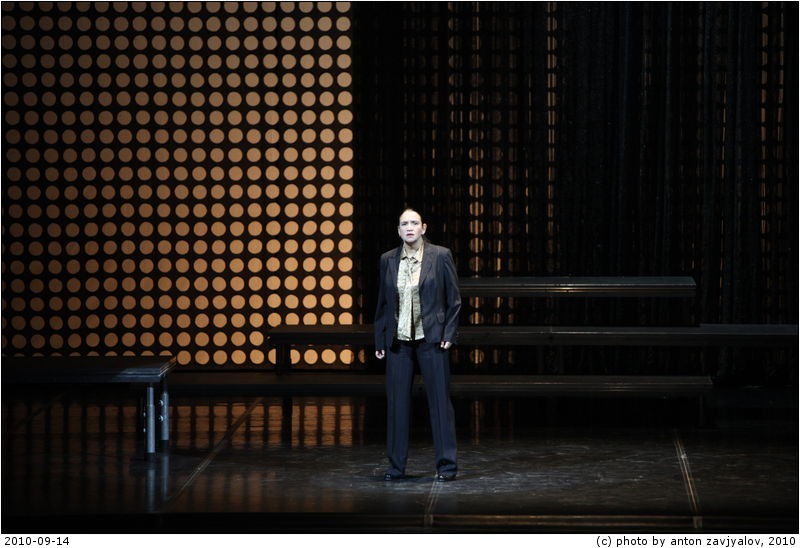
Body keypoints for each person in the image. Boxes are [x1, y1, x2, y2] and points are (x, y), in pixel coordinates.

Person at [374, 208, 461, 482]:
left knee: (440, 404)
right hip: (398, 342)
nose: (409, 227)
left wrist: (449, 333)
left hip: (432, 339)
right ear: (398, 230)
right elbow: (383, 303)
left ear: (423, 228)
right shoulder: (388, 259)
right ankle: (396, 466)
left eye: (414, 223)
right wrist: (380, 338)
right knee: (397, 405)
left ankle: (446, 466)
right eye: (404, 224)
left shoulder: (440, 255)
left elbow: (454, 300)